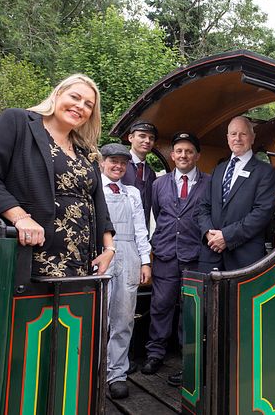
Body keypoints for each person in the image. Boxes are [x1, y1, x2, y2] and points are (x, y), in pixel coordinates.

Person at [0, 74, 115, 278]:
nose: (80, 106)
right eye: (75, 97)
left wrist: (109, 248)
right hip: (30, 258)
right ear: (57, 94)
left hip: (79, 262)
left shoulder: (85, 149)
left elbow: (97, 201)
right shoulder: (17, 122)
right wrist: (20, 217)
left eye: (88, 104)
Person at [142, 132, 209, 386]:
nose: (183, 155)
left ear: (197, 156)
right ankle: (155, 353)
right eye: (179, 151)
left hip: (195, 257)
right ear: (172, 155)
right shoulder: (158, 185)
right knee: (160, 306)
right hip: (166, 255)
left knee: (190, 310)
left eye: (189, 151)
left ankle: (188, 358)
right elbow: (159, 215)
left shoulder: (209, 183)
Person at [99, 143, 152, 399]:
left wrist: (145, 261)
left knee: (124, 318)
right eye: (113, 161)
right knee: (98, 318)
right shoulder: (93, 189)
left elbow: (141, 228)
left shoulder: (132, 193)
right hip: (101, 254)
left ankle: (116, 374)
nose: (118, 166)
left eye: (122, 162)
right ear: (102, 163)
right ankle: (92, 371)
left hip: (129, 253)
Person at [197, 116, 275, 272]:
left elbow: (262, 213)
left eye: (243, 134)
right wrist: (208, 233)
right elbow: (203, 207)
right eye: (233, 134)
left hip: (245, 258)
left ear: (252, 138)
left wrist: (227, 237)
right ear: (228, 138)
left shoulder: (265, 172)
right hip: (211, 253)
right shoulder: (218, 170)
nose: (238, 138)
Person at [121, 120, 158, 229]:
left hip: (142, 233)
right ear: (130, 138)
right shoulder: (119, 166)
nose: (147, 141)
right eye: (142, 136)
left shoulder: (151, 173)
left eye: (151, 138)